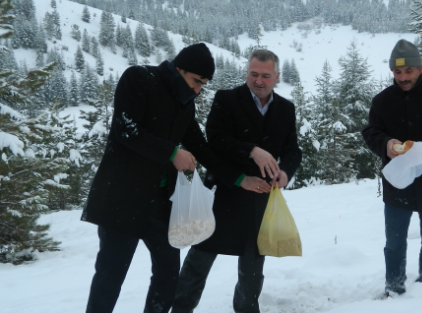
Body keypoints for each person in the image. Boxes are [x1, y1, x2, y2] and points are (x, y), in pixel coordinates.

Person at [81, 43, 242, 313]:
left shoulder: (184, 105)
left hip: (161, 206)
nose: (197, 90)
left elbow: (201, 147)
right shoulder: (139, 78)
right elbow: (126, 129)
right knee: (110, 277)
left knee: (168, 277)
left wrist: (238, 179)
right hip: (123, 200)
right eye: (195, 81)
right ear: (179, 69)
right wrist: (172, 152)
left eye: (203, 85)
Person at [171, 49, 302, 313]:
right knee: (200, 258)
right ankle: (181, 309)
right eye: (253, 74)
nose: (259, 81)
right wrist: (252, 150)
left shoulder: (286, 109)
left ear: (277, 77)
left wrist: (286, 172)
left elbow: (292, 149)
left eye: (266, 76)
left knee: (253, 268)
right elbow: (216, 139)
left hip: (260, 196)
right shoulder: (227, 99)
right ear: (247, 73)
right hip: (225, 191)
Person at [362, 39, 422, 298]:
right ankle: (394, 289)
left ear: (420, 68)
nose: (403, 77)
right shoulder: (382, 101)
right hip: (398, 182)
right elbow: (371, 132)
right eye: (397, 72)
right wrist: (387, 144)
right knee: (394, 243)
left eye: (408, 71)